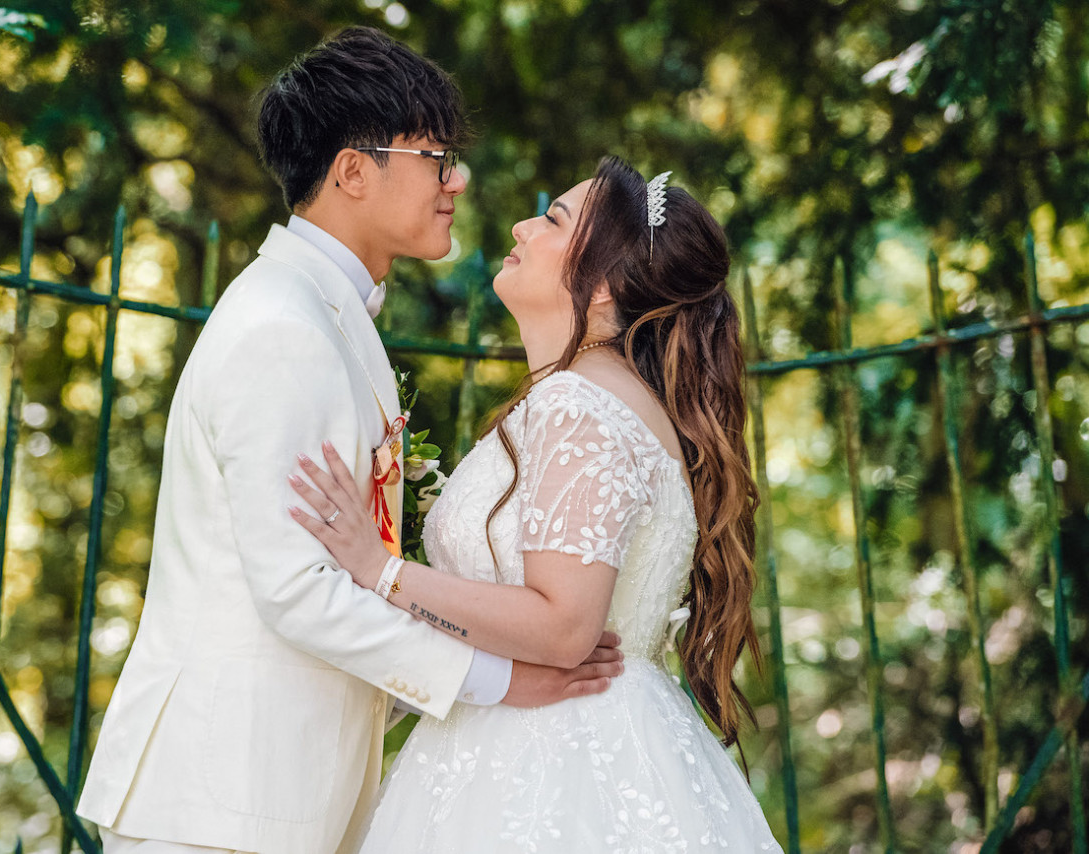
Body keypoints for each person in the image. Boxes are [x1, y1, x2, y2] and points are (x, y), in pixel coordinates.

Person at [75, 27, 623, 854]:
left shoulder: (324, 317)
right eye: (435, 158)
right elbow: (298, 593)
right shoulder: (281, 330)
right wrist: (504, 682)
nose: (456, 181)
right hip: (222, 806)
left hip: (274, 799)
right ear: (354, 170)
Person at [289, 156, 785, 852]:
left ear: (606, 290)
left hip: (549, 753)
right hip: (603, 736)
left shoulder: (578, 406)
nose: (522, 226)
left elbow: (564, 628)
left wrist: (382, 571)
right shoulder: (607, 400)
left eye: (553, 218)